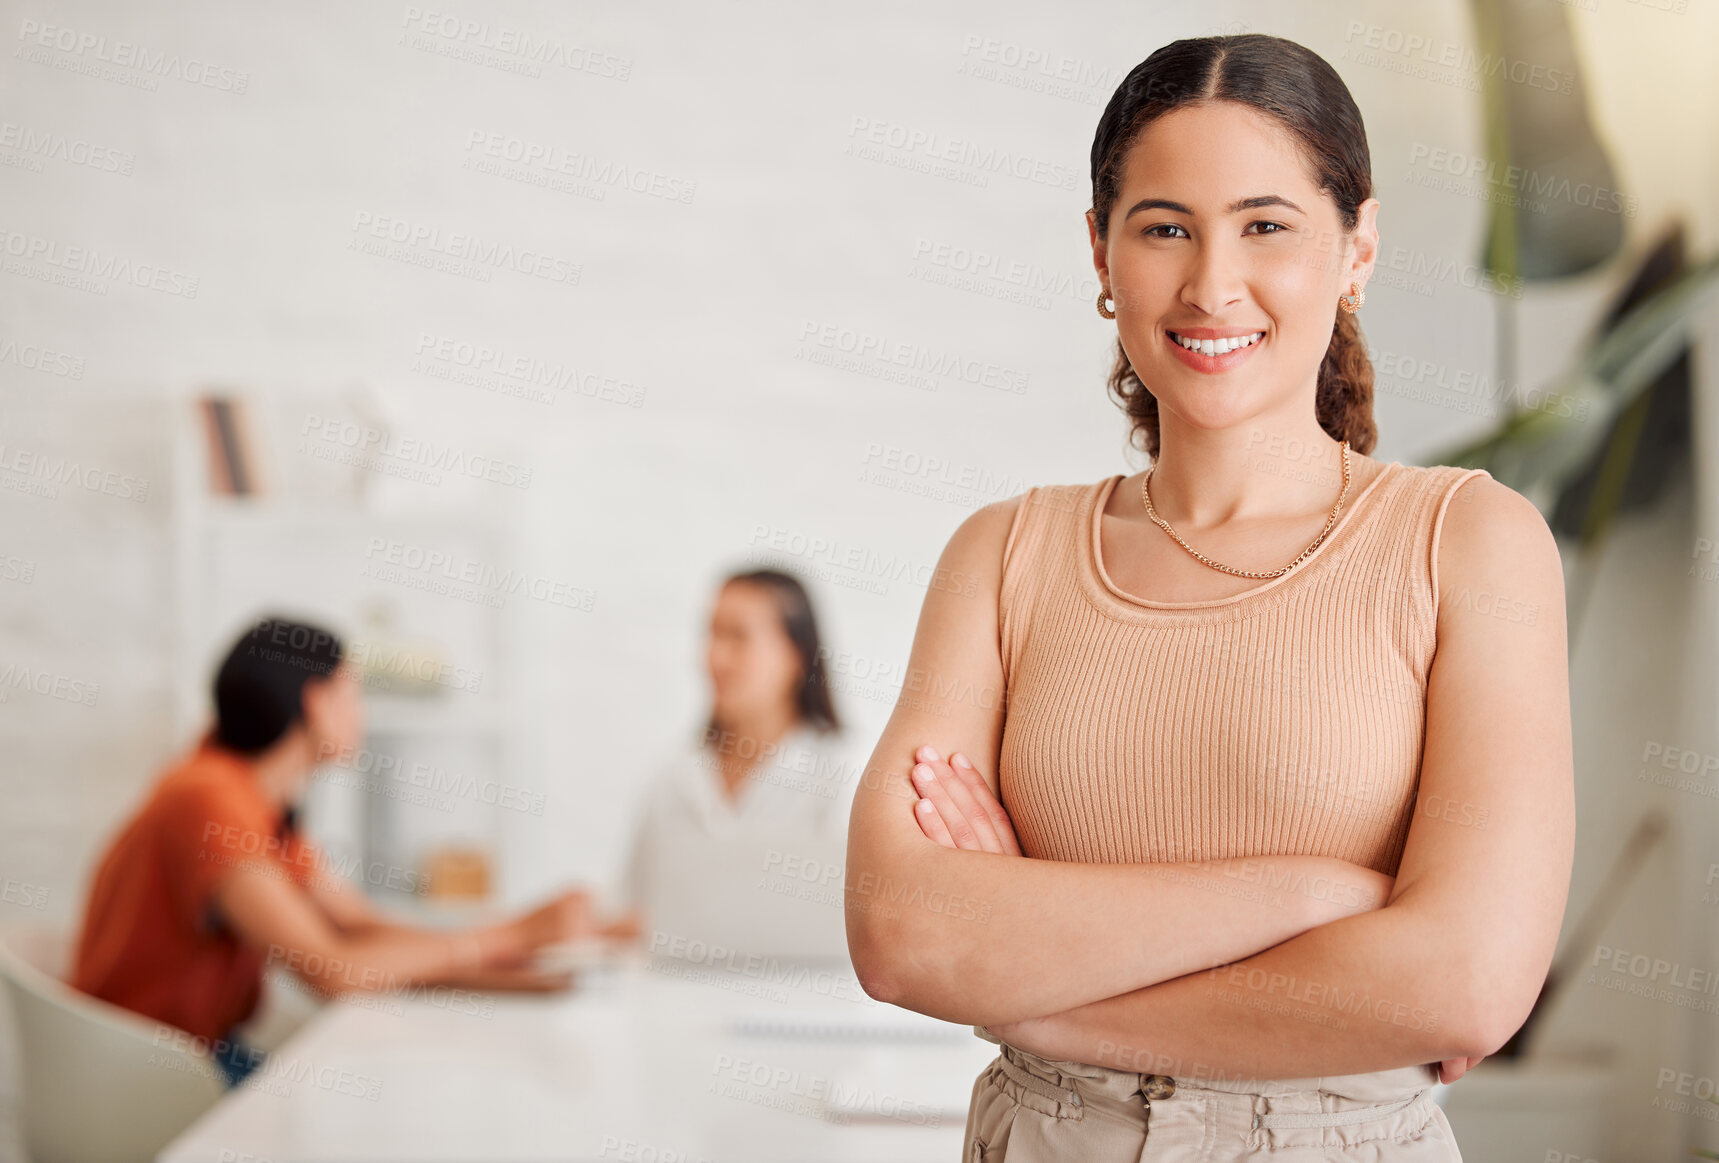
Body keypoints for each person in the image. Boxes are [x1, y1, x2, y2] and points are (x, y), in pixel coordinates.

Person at [845, 33, 1574, 1161]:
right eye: (1165, 227)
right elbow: (902, 934)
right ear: (1101, 250)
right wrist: (1321, 891)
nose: (1210, 283)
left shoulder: (1469, 543)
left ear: (1358, 246)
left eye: (1266, 224)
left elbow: (1467, 979)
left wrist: (1034, 995)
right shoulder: (1003, 554)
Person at [70, 615, 617, 1087]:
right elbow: (333, 970)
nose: (363, 714)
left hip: (190, 1059)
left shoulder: (260, 802)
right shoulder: (209, 799)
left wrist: (516, 961)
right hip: (143, 1078)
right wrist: (513, 935)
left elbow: (358, 928)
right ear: (316, 701)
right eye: (354, 693)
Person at [613, 569, 857, 959]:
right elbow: (629, 909)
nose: (716, 657)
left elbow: (852, 926)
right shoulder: (674, 779)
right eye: (711, 634)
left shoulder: (842, 776)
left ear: (797, 656)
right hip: (668, 1007)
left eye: (738, 637)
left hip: (802, 1010)